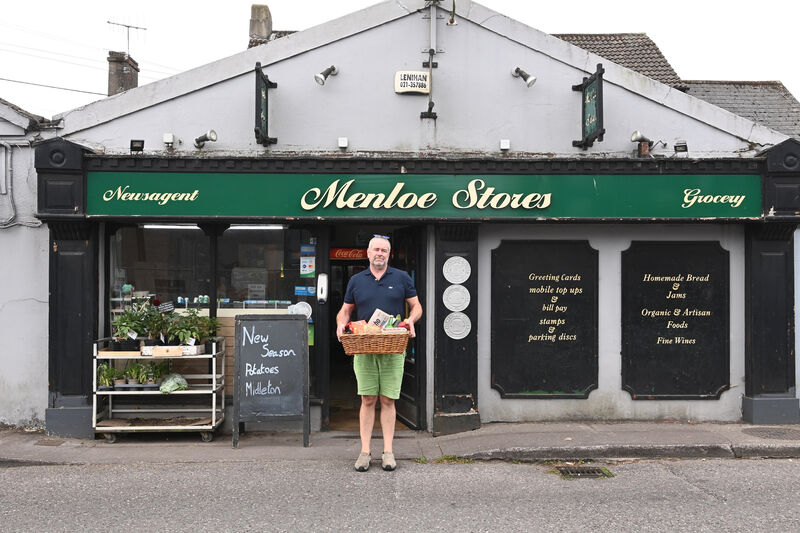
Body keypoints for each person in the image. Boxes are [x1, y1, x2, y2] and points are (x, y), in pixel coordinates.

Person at [336, 234, 422, 472]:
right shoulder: (356, 280)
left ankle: (388, 452)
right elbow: (345, 310)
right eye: (376, 250)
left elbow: (416, 306)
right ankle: (364, 452)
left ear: (389, 254)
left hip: (392, 346)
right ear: (368, 253)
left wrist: (411, 320)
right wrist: (340, 323)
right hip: (364, 348)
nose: (379, 254)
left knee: (388, 400)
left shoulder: (402, 278)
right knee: (367, 399)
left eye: (384, 250)